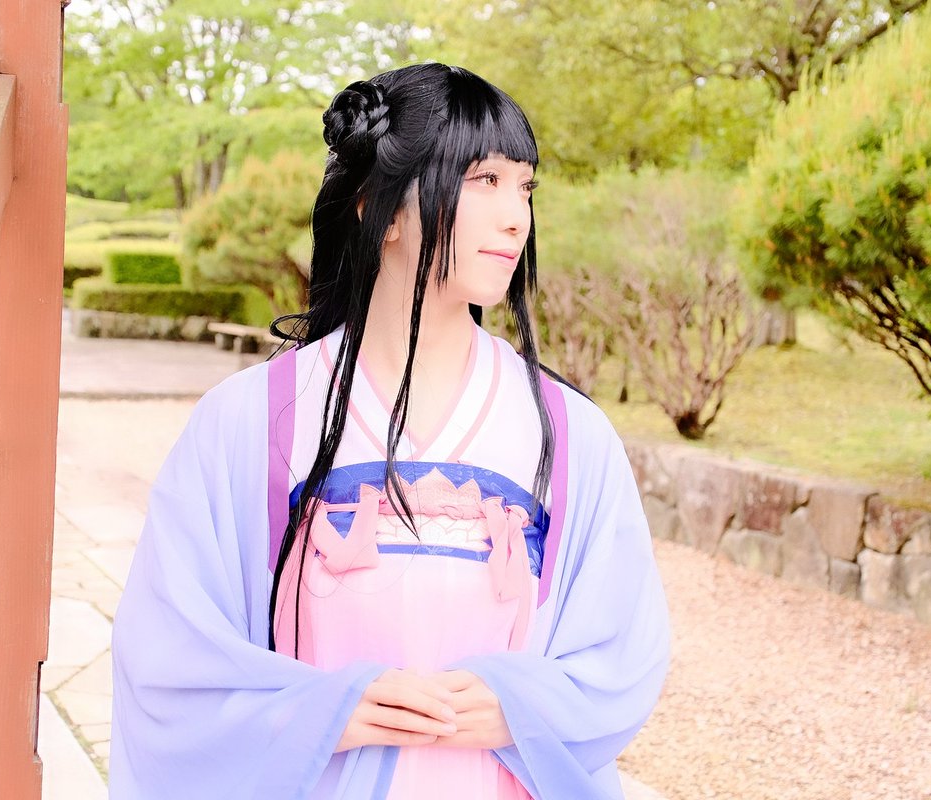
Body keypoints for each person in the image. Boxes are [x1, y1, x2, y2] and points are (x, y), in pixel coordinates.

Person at [110, 63, 671, 799]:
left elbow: (622, 652)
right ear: (382, 207)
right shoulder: (254, 418)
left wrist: (520, 707)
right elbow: (168, 658)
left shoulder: (567, 432)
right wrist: (325, 713)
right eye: (484, 181)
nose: (516, 217)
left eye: (525, 187)